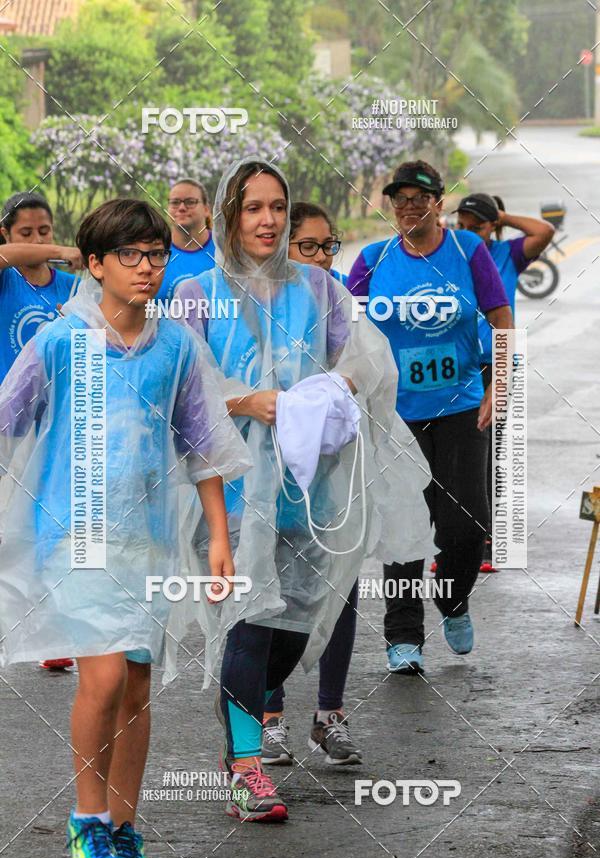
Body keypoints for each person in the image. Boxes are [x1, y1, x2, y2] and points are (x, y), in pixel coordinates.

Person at [0, 198, 250, 858]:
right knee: (103, 677)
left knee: (137, 686)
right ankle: (86, 824)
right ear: (97, 264)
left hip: (148, 544)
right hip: (72, 534)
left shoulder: (175, 346)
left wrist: (220, 538)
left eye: (158, 254)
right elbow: (6, 419)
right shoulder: (59, 341)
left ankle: (123, 824)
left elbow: (202, 446)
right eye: (132, 255)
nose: (148, 268)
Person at [176, 158, 432, 823]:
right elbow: (184, 389)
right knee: (250, 625)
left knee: (292, 633)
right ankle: (246, 766)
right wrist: (245, 399)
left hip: (308, 495)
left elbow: (368, 357)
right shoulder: (198, 294)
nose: (267, 220)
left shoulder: (319, 289)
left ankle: (243, 719)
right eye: (253, 207)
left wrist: (338, 386)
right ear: (230, 215)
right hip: (230, 496)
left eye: (277, 207)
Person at [348, 160, 513, 676]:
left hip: (461, 407)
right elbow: (344, 329)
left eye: (420, 198)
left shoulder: (469, 251)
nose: (409, 207)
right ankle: (402, 636)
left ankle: (455, 600)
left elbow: (500, 315)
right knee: (404, 523)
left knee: (465, 525)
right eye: (400, 199)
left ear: (438, 202)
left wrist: (500, 383)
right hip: (395, 416)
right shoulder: (374, 260)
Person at [262, 200, 360, 767]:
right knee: (270, 596)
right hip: (262, 476)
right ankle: (268, 716)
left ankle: (329, 715)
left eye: (330, 246)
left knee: (337, 587)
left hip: (324, 473)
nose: (322, 258)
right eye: (309, 247)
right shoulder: (242, 301)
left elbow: (359, 362)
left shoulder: (332, 296)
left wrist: (339, 387)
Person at [0, 191, 83, 671]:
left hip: (57, 423)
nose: (37, 240)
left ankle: (52, 633)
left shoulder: (72, 287)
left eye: (45, 231)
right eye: (25, 233)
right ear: (8, 236)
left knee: (54, 527)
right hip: (7, 424)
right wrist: (55, 251)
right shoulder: (6, 278)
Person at [456, 193, 554, 571]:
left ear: (493, 225)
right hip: (457, 367)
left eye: (477, 226)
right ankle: (452, 539)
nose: (469, 234)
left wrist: (501, 216)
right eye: (462, 226)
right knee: (454, 454)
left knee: (489, 453)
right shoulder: (453, 254)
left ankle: (486, 539)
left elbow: (543, 231)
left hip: (494, 365)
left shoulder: (507, 255)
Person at [159, 178, 215, 301]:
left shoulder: (225, 247)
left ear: (206, 209)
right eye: (175, 202)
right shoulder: (155, 250)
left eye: (190, 202)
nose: (182, 208)